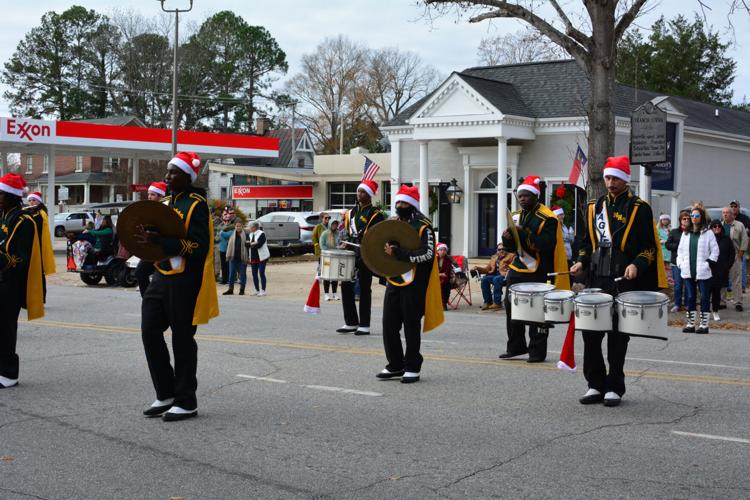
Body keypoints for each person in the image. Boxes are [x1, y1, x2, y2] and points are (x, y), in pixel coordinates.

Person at [571, 156, 667, 407]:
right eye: (607, 178)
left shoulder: (639, 208)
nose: (610, 183)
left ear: (625, 179)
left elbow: (649, 248)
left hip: (623, 281)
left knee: (616, 336)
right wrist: (581, 261)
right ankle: (594, 384)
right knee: (590, 334)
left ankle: (614, 386)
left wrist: (637, 264)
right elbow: (584, 243)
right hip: (597, 278)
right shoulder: (594, 207)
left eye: (615, 178)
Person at [136, 151, 219, 421]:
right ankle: (166, 392)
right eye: (168, 171)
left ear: (188, 176)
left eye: (173, 172)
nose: (167, 176)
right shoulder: (166, 202)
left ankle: (186, 400)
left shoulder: (196, 205)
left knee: (182, 339)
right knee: (149, 330)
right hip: (160, 277)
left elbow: (198, 246)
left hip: (185, 280)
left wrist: (165, 242)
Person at [499, 175, 570, 363]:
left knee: (536, 312)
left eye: (526, 196)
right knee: (511, 307)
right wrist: (507, 237)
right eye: (520, 196)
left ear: (536, 196)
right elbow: (510, 247)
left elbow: (547, 245)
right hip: (518, 266)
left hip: (540, 269)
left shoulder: (548, 218)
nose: (522, 199)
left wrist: (525, 233)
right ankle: (515, 347)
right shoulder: (515, 215)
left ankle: (537, 351)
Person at [377, 185, 443, 383]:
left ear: (412, 204)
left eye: (403, 202)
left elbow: (428, 254)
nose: (399, 205)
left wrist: (400, 253)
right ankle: (395, 365)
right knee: (389, 324)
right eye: (397, 202)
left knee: (411, 326)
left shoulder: (424, 226)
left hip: (415, 284)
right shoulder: (393, 223)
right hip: (394, 280)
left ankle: (413, 366)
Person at [0, 173, 45, 388]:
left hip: (11, 283)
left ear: (10, 196)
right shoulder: (3, 216)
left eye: (0, 193)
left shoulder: (23, 221)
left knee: (6, 328)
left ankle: (9, 374)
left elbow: (21, 259)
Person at [338, 179, 386, 335]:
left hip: (366, 253)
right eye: (358, 191)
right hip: (351, 252)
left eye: (363, 192)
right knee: (345, 285)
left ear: (370, 195)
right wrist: (346, 242)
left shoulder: (375, 213)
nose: (359, 194)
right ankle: (351, 322)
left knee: (364, 288)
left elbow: (377, 235)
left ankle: (364, 324)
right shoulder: (351, 212)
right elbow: (348, 233)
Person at [677, 206, 718, 334]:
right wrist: (680, 263)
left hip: (703, 271)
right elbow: (680, 251)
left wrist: (708, 263)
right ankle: (690, 324)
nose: (694, 218)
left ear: (702, 218)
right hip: (688, 271)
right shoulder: (686, 233)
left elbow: (715, 250)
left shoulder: (708, 233)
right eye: (692, 216)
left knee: (705, 297)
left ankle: (704, 325)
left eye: (697, 216)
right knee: (690, 297)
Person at [136, 182, 167, 297]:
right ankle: (148, 299)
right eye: (148, 194)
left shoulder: (166, 210)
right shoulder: (148, 210)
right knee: (140, 272)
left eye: (153, 195)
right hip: (151, 249)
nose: (149, 197)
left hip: (163, 249)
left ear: (161, 196)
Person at [24, 191, 56, 302]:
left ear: (39, 201)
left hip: (38, 247)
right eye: (30, 200)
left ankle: (40, 298)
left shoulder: (41, 213)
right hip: (29, 247)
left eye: (34, 200)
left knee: (38, 274)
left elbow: (36, 226)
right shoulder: (28, 212)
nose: (31, 202)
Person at [708, 219, 735, 322]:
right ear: (711, 228)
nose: (717, 228)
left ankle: (715, 311)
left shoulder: (726, 239)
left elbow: (732, 254)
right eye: (714, 226)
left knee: (716, 293)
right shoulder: (707, 238)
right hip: (707, 270)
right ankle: (705, 312)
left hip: (720, 271)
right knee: (705, 293)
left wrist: (727, 266)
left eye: (719, 226)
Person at [722, 206, 747, 312]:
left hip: (735, 255)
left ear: (733, 214)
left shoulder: (739, 225)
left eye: (727, 212)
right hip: (722, 256)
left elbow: (745, 239)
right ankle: (721, 301)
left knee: (736, 280)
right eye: (723, 213)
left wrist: (741, 252)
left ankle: (738, 302)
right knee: (721, 279)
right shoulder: (719, 225)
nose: (725, 214)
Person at [473, 244, 512, 310]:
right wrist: (477, 268)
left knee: (496, 279)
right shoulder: (494, 257)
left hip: (504, 276)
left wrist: (508, 271)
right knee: (484, 280)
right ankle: (487, 302)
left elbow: (513, 267)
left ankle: (497, 303)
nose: (501, 251)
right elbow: (487, 269)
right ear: (497, 250)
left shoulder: (510, 256)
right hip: (494, 275)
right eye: (499, 249)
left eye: (503, 249)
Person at [665, 211, 690, 312]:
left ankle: (688, 304)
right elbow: (667, 244)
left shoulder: (692, 232)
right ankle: (677, 304)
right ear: (680, 220)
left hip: (688, 262)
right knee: (678, 284)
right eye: (684, 219)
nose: (686, 221)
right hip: (676, 262)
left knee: (688, 284)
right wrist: (677, 246)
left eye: (688, 219)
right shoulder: (674, 232)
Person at [222, 221, 249, 296]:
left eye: (239, 226)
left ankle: (242, 290)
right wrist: (225, 226)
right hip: (233, 258)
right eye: (237, 226)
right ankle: (230, 289)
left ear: (242, 227)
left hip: (242, 258)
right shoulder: (231, 234)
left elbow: (248, 246)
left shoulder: (246, 235)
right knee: (231, 274)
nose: (238, 227)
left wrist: (248, 257)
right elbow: (222, 233)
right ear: (235, 227)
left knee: (243, 275)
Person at [314, 212, 336, 301]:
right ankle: (319, 274)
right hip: (321, 249)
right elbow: (314, 236)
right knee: (321, 262)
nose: (327, 220)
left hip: (329, 250)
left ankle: (334, 292)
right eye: (326, 218)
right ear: (322, 219)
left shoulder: (329, 227)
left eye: (329, 218)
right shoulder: (318, 227)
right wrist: (316, 244)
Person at [730, 200, 750, 292]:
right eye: (732, 206)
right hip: (730, 248)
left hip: (740, 247)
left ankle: (742, 286)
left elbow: (747, 232)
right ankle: (730, 287)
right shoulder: (728, 218)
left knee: (742, 267)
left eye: (735, 206)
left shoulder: (744, 218)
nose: (734, 208)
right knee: (730, 267)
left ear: (739, 207)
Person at [319, 218, 341, 300]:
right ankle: (326, 294)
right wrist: (329, 250)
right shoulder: (325, 233)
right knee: (327, 275)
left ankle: (335, 293)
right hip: (327, 257)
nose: (334, 226)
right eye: (333, 224)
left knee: (335, 276)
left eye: (336, 224)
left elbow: (339, 243)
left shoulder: (338, 233)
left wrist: (340, 247)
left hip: (336, 256)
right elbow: (322, 245)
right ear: (330, 224)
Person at [248, 222, 270, 296]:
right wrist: (253, 243)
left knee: (261, 273)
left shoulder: (261, 234)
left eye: (250, 227)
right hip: (253, 256)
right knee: (254, 274)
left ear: (254, 227)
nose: (249, 228)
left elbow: (259, 244)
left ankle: (263, 290)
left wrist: (252, 244)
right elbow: (247, 244)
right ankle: (257, 290)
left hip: (262, 257)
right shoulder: (251, 234)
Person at [216, 206, 235, 285]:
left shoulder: (232, 226)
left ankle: (229, 279)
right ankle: (224, 279)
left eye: (228, 220)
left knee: (229, 265)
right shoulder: (220, 226)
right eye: (225, 216)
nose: (226, 221)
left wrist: (222, 233)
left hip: (229, 248)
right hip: (222, 248)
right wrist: (222, 233)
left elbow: (229, 235)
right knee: (223, 265)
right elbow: (217, 236)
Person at [436, 242, 454, 310]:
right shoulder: (434, 259)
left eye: (444, 250)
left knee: (446, 285)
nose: (443, 252)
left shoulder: (448, 259)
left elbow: (449, 270)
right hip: (434, 277)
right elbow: (430, 271)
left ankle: (444, 303)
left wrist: (444, 275)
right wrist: (439, 274)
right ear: (437, 251)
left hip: (445, 277)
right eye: (441, 250)